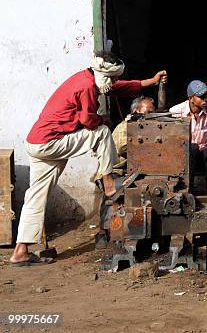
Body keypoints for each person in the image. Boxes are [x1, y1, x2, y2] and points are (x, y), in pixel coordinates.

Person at [10, 55, 167, 266]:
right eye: (110, 79)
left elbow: (116, 87)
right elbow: (87, 120)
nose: (112, 83)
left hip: (36, 142)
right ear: (102, 74)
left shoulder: (89, 78)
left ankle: (21, 251)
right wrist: (102, 119)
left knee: (36, 195)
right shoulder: (86, 87)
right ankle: (109, 182)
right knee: (101, 132)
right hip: (50, 143)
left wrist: (148, 82)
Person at [94, 96, 155, 249]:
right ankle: (103, 232)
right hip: (112, 173)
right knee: (113, 195)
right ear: (136, 111)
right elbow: (123, 148)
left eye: (152, 113)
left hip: (127, 172)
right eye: (147, 112)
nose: (150, 116)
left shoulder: (142, 127)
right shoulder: (125, 127)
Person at [169, 80, 207, 194]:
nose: (206, 99)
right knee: (192, 148)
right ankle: (188, 188)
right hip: (183, 154)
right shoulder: (176, 112)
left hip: (202, 150)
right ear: (191, 98)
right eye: (201, 97)